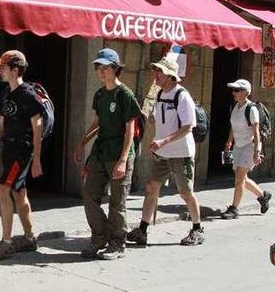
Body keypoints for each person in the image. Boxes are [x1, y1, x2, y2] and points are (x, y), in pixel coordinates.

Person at [127, 56, 204, 247]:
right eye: (155, 71)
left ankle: (197, 229)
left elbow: (188, 127)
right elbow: (159, 116)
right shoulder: (160, 94)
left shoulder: (182, 96)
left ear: (170, 76)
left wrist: (164, 141)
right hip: (162, 153)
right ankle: (142, 230)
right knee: (151, 188)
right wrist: (152, 119)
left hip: (180, 153)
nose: (156, 75)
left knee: (186, 193)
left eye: (159, 71)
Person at [74, 48, 141, 260]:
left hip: (119, 153)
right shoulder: (100, 94)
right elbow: (98, 122)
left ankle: (117, 244)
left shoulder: (125, 94)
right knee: (89, 194)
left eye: (106, 68)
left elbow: (130, 128)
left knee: (117, 201)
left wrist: (123, 160)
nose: (102, 72)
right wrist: (82, 141)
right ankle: (99, 236)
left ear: (115, 69)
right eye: (99, 68)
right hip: (100, 151)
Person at [0, 50, 46, 260]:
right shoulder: (8, 93)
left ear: (15, 70)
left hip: (21, 152)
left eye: (3, 67)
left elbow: (37, 126)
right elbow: (2, 124)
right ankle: (29, 237)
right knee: (19, 194)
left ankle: (6, 242)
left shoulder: (27, 94)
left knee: (1, 191)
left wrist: (36, 159)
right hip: (9, 151)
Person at [221, 79, 272, 220]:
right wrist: (228, 142)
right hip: (238, 146)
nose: (233, 93)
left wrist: (257, 152)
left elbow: (256, 132)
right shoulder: (235, 107)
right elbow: (233, 126)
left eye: (237, 90)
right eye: (233, 90)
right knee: (241, 178)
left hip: (249, 146)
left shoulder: (252, 109)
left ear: (246, 92)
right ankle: (263, 196)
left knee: (239, 178)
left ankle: (234, 208)